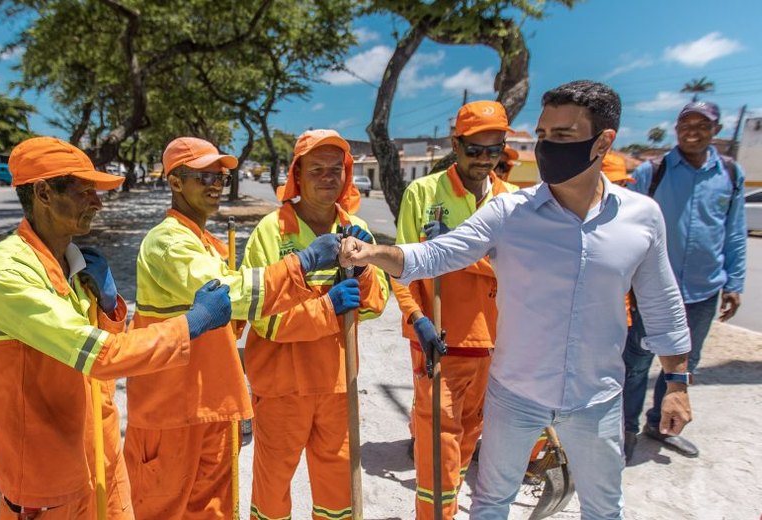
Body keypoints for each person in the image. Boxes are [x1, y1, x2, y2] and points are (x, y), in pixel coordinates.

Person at [338, 80, 693, 519]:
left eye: (561, 136)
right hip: (514, 392)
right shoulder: (511, 213)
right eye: (542, 135)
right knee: (488, 500)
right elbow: (432, 254)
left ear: (603, 141)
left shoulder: (641, 217)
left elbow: (662, 304)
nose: (546, 147)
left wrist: (677, 382)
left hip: (596, 400)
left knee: (604, 508)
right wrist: (373, 254)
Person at [0, 136, 233, 519]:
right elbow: (100, 355)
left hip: (100, 454)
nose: (98, 203)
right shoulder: (5, 274)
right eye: (84, 191)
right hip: (47, 473)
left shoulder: (71, 262)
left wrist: (108, 308)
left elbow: (95, 358)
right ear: (43, 193)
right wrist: (193, 322)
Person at [124, 137, 341, 519]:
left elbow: (232, 317)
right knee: (164, 507)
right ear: (175, 182)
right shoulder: (168, 243)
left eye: (220, 177)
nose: (214, 185)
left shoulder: (203, 242)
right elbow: (231, 296)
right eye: (202, 176)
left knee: (212, 509)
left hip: (213, 402)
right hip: (173, 409)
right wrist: (302, 264)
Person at [242, 129, 388, 520]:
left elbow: (376, 306)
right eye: (316, 169)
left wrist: (365, 273)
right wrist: (328, 308)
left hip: (339, 385)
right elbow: (264, 319)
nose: (327, 177)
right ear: (298, 175)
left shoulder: (356, 230)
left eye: (335, 169)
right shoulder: (271, 232)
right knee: (273, 486)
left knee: (338, 487)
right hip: (282, 387)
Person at [392, 101, 518, 519]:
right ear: (455, 144)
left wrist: (451, 252)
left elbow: (517, 272)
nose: (484, 160)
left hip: (494, 345)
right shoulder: (424, 194)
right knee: (437, 445)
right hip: (439, 340)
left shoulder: (514, 201)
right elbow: (401, 269)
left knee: (468, 439)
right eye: (474, 150)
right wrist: (416, 318)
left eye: (493, 150)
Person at [623, 101, 747, 460]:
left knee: (683, 364)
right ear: (676, 128)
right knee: (636, 364)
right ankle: (625, 429)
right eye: (686, 123)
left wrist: (734, 282)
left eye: (702, 125)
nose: (693, 130)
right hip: (651, 290)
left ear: (716, 130)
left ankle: (661, 425)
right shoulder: (653, 172)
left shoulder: (729, 173)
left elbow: (734, 231)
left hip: (703, 289)